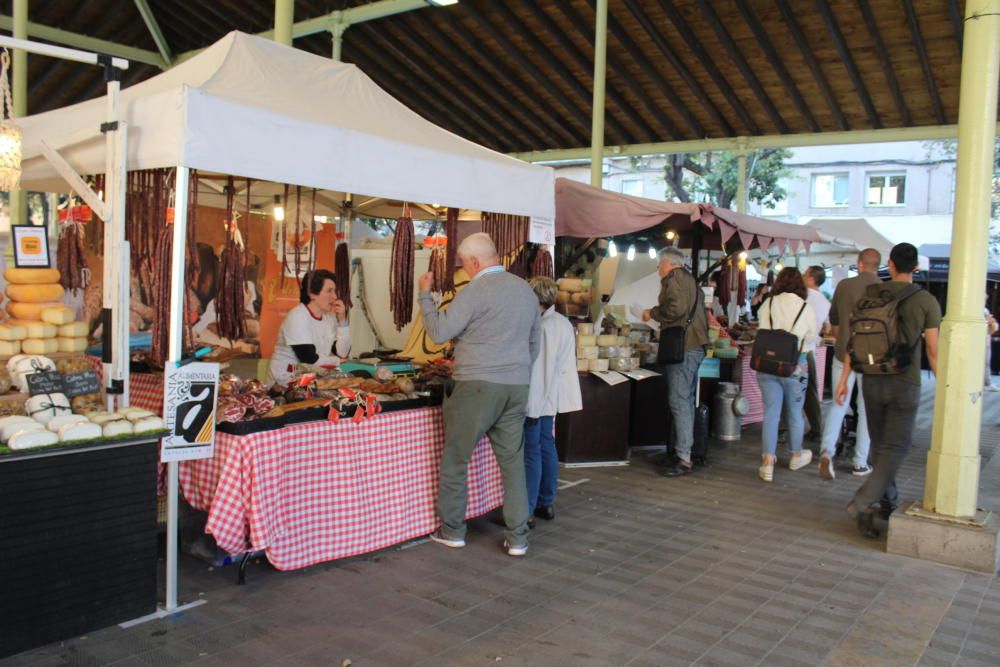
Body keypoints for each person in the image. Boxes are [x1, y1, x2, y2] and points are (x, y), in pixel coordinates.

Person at [418, 232, 540, 557]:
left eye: (464, 265)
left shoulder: (475, 291)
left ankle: (453, 530)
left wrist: (425, 297)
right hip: (516, 386)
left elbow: (440, 331)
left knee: (457, 459)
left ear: (473, 262)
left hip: (476, 386)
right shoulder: (525, 291)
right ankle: (517, 538)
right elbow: (534, 345)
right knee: (512, 463)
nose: (464, 271)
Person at [838, 242, 940, 538]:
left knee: (882, 447)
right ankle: (862, 502)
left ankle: (888, 503)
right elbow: (933, 350)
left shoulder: (871, 295)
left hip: (870, 379)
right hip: (904, 382)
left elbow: (854, 341)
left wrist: (844, 380)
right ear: (915, 268)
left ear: (891, 265)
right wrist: (944, 386)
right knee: (897, 447)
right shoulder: (926, 301)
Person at [642, 247, 709, 477]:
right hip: (694, 347)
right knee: (685, 401)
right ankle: (683, 451)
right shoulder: (690, 280)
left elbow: (675, 309)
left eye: (659, 265)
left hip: (685, 348)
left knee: (679, 401)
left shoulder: (674, 278)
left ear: (669, 263)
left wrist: (653, 313)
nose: (659, 269)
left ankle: (683, 457)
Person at [524, 277, 582, 528]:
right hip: (553, 396)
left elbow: (539, 371)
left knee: (532, 451)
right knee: (547, 445)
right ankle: (545, 503)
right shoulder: (563, 323)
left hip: (539, 397)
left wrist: (531, 407)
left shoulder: (543, 326)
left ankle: (526, 510)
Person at [819, 249, 881, 480]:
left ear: (859, 264)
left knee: (838, 402)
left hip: (843, 350)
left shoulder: (844, 286)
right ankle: (860, 462)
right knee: (866, 408)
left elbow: (834, 321)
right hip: (872, 356)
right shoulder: (884, 290)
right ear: (878, 265)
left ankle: (827, 451)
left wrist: (844, 335)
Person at [757, 268, 818, 483]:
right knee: (794, 412)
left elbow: (760, 327)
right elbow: (811, 335)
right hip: (795, 365)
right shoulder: (805, 308)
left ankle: (767, 463)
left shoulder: (769, 303)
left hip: (766, 364)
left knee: (771, 413)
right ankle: (796, 455)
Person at [267, 269, 350, 387]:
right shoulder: (297, 316)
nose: (335, 296)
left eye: (334, 291)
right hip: (285, 381)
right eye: (329, 291)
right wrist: (337, 361)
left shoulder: (329, 318)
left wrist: (342, 320)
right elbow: (309, 359)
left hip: (312, 377)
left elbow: (342, 353)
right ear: (312, 294)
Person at [802, 266, 831, 441]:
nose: (803, 277)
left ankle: (784, 429)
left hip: (795, 349)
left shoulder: (802, 295)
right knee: (810, 391)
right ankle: (817, 428)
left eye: (805, 274)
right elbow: (827, 329)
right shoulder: (826, 302)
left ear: (811, 278)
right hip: (810, 350)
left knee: (788, 388)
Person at [985, 293, 999, 392]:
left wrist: (992, 323)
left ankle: (987, 382)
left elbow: (992, 329)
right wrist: (988, 322)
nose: (987, 297)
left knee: (986, 362)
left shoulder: (985, 310)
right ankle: (987, 382)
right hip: (980, 340)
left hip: (986, 339)